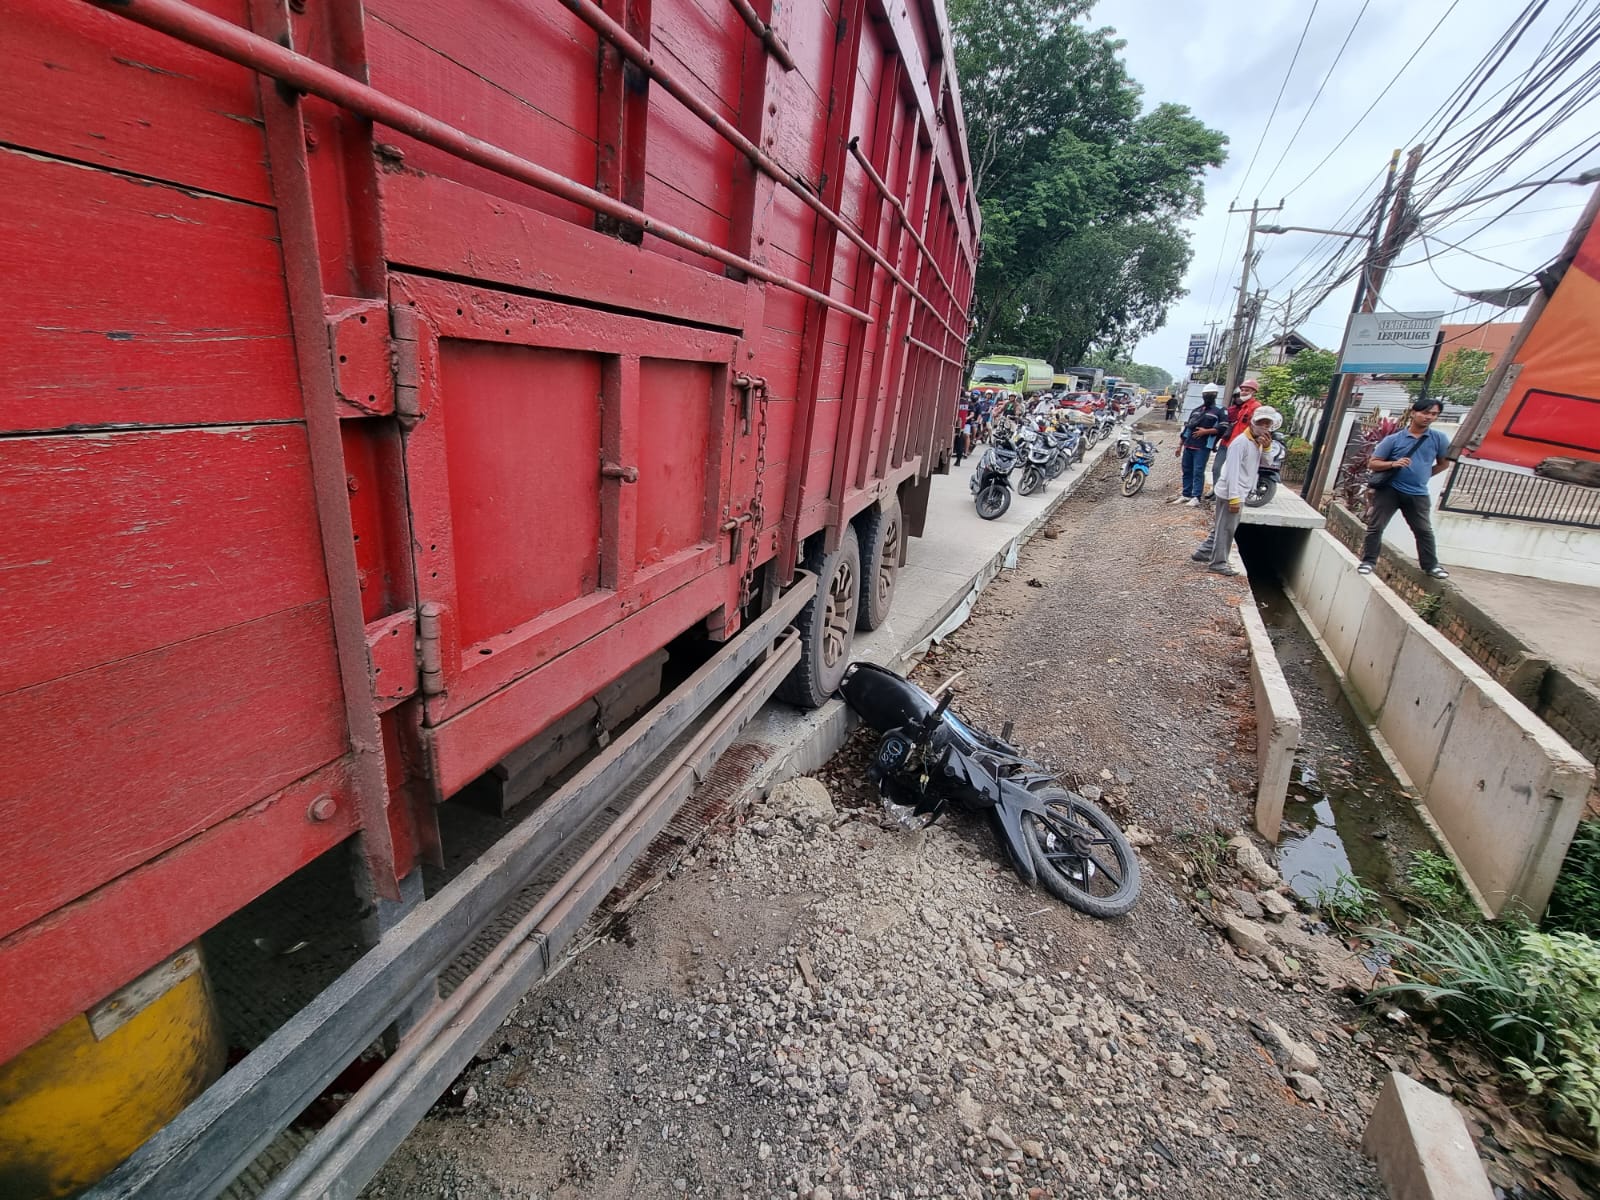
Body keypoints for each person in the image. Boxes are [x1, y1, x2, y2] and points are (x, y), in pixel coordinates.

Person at [1358, 397, 1453, 578]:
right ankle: (1368, 561)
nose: (1429, 417)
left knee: (1423, 530)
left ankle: (1431, 566)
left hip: (1418, 493)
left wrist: (1423, 475)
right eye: (1425, 413)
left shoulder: (1439, 438)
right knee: (1376, 527)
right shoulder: (1393, 440)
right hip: (1390, 490)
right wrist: (1394, 464)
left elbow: (1443, 464)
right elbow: (1373, 463)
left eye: (1434, 414)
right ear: (1413, 413)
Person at [1191, 406, 1281, 575]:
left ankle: (1204, 552)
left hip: (1240, 490)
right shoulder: (1240, 443)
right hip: (1232, 491)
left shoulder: (1258, 442)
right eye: (1261, 423)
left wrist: (1267, 448)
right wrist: (1234, 498)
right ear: (1253, 422)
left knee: (1222, 525)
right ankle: (1218, 563)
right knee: (1227, 528)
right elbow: (1232, 472)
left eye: (1267, 424)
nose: (1264, 427)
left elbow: (1268, 463)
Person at [1207, 378, 1260, 497]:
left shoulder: (1255, 408)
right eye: (1243, 390)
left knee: (1233, 471)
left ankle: (1229, 494)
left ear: (1254, 392)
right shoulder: (1236, 409)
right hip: (1227, 442)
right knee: (1217, 468)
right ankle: (1217, 492)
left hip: (1240, 446)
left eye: (1247, 390)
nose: (1244, 392)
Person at [1174, 385, 1222, 505]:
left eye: (1211, 394)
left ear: (1216, 395)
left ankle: (1196, 497)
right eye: (1206, 394)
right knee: (1187, 470)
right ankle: (1186, 494)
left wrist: (1206, 432)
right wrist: (1180, 445)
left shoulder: (1218, 412)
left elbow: (1222, 428)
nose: (1208, 396)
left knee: (1198, 471)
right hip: (1189, 444)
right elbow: (1188, 428)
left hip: (1203, 446)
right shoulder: (1196, 410)